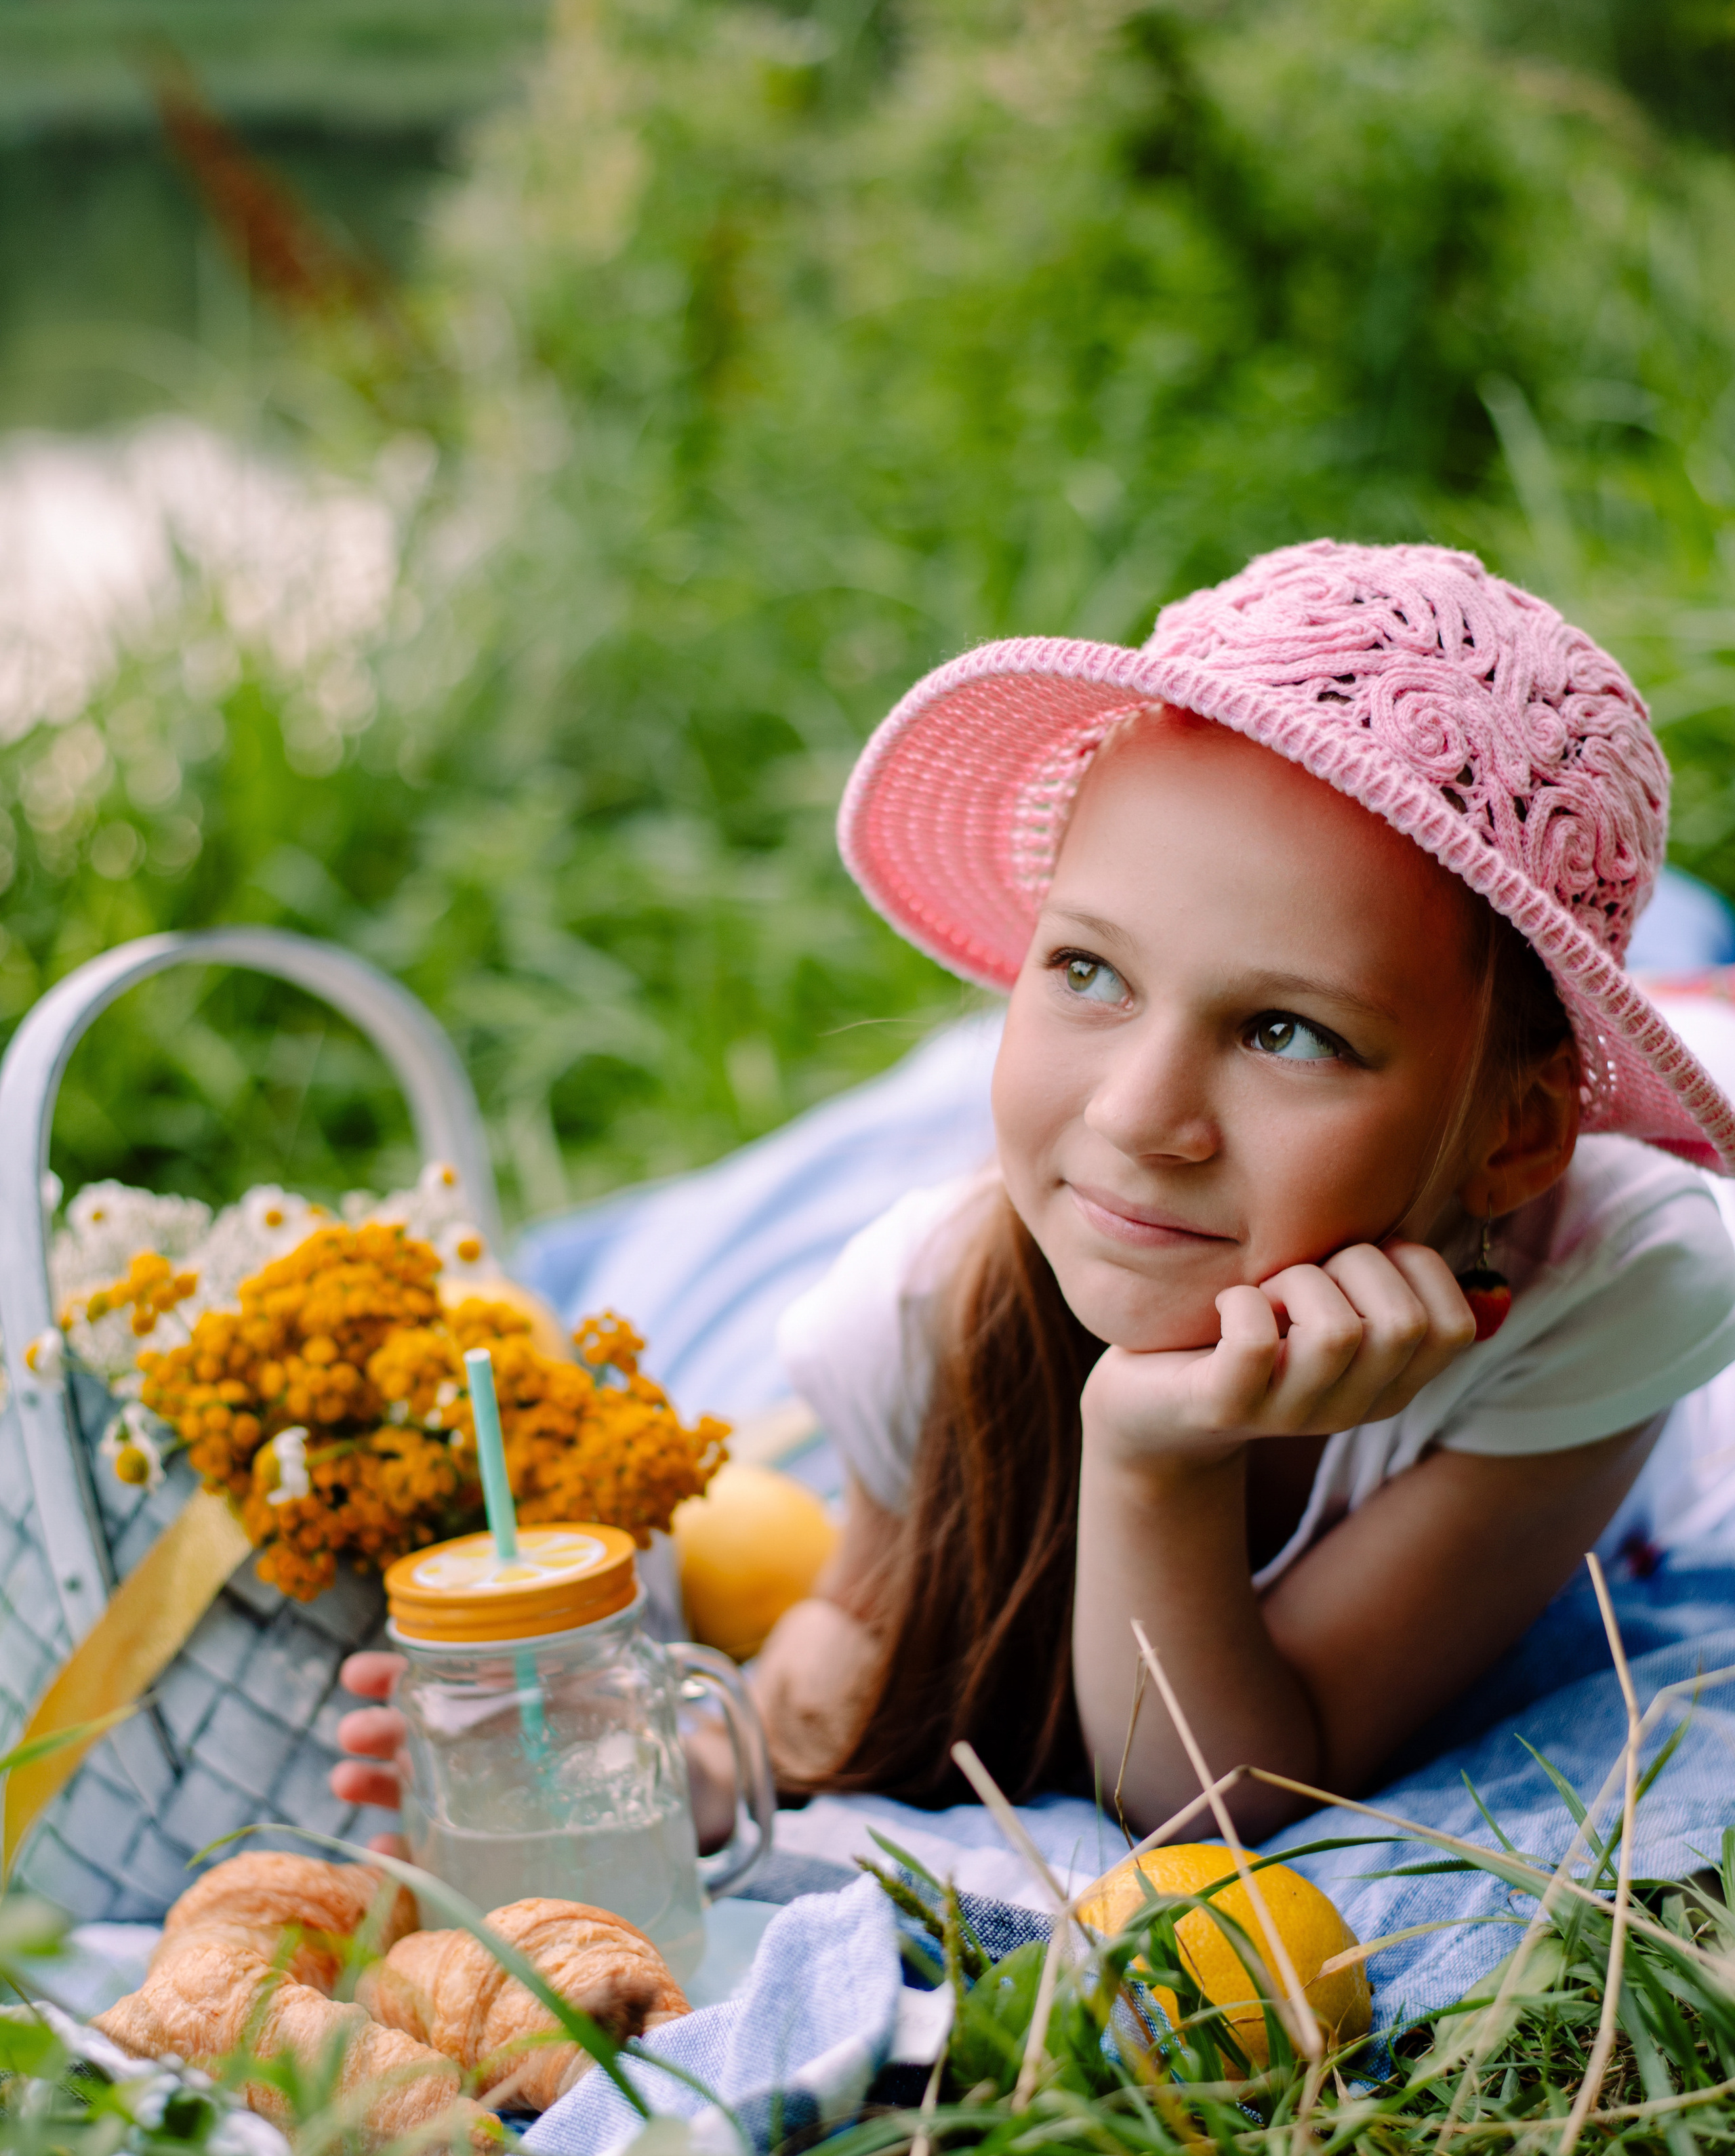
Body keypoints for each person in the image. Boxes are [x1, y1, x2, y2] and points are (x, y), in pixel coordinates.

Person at [333, 540, 1735, 1850]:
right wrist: (653, 1776)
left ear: (1514, 1136)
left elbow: (1217, 1796)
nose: (1136, 1119)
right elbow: (851, 1661)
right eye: (1084, 970)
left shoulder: (1616, 1278)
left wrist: (1144, 1459)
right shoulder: (916, 1311)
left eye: (1283, 1032)